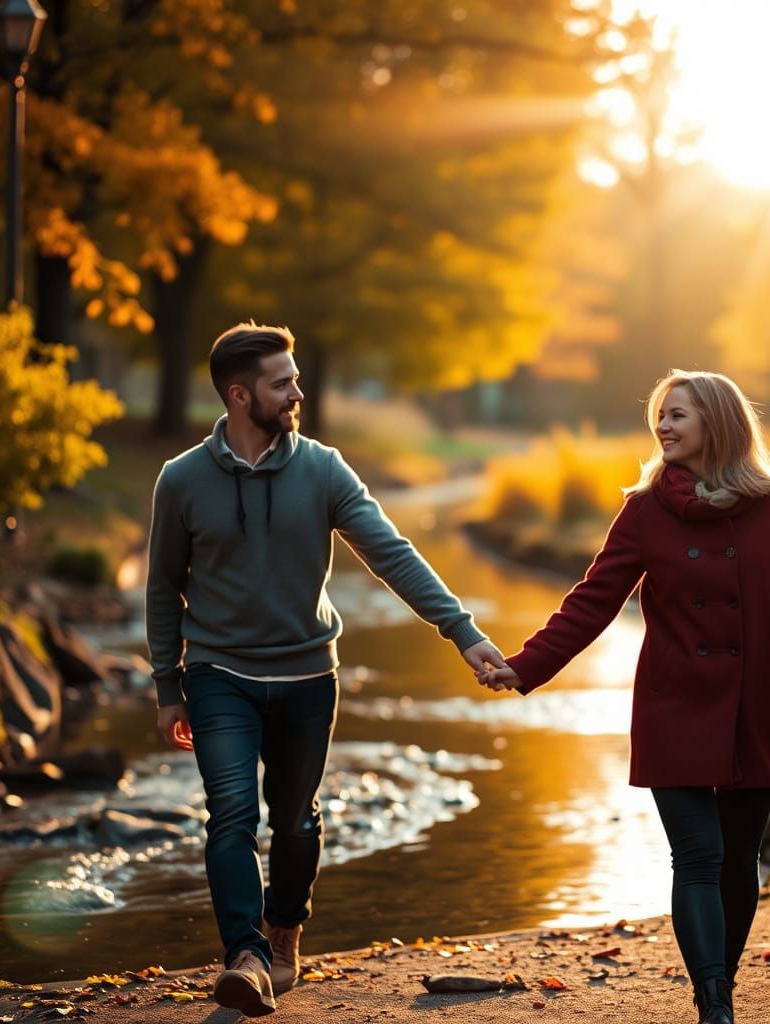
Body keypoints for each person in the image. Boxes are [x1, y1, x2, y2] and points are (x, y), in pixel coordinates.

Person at [146, 321, 506, 1018]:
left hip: (309, 674)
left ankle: (283, 937)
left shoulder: (323, 468)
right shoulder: (182, 480)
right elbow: (162, 588)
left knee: (297, 822)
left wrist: (462, 632)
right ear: (240, 395)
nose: (297, 391)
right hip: (220, 673)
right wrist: (168, 687)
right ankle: (245, 958)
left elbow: (392, 553)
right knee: (230, 816)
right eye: (283, 382)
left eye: (296, 378)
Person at [477, 370, 770, 1024]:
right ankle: (715, 1008)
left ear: (719, 422)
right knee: (698, 855)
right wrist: (524, 666)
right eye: (661, 415)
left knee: (739, 859)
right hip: (675, 705)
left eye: (678, 415)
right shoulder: (646, 508)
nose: (664, 426)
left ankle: (721, 987)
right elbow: (592, 601)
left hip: (756, 705)